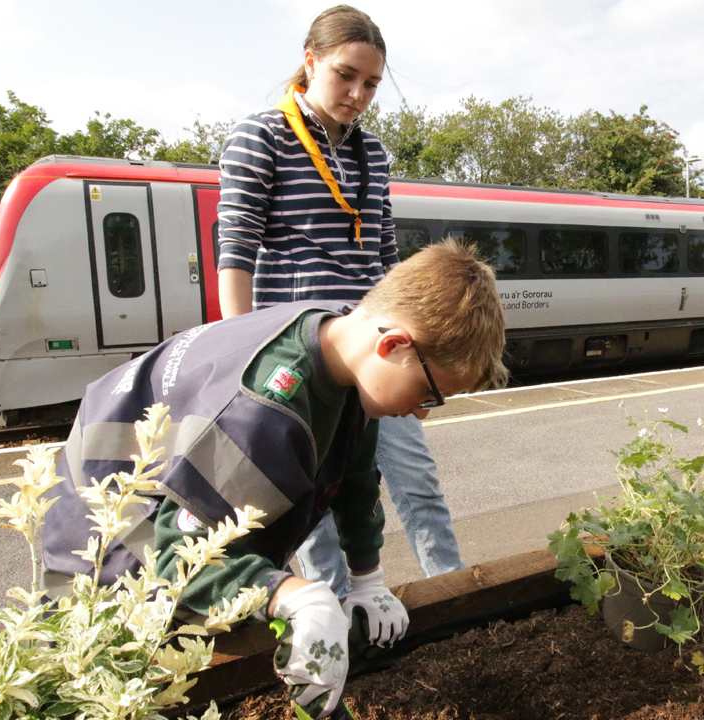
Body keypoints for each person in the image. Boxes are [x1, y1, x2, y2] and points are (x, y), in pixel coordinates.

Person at [42, 240, 508, 718]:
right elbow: (181, 565)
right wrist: (291, 595)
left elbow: (355, 474)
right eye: (429, 395)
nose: (420, 413)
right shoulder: (259, 412)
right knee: (141, 683)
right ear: (392, 345)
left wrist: (368, 577)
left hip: (186, 500)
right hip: (109, 536)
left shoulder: (342, 343)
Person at [216, 4, 466, 598]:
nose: (357, 93)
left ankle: (459, 599)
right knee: (315, 509)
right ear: (310, 62)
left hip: (374, 345)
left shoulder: (372, 153)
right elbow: (236, 248)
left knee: (417, 484)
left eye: (371, 84)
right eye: (344, 75)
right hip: (299, 354)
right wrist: (238, 354)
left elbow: (384, 260)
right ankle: (333, 622)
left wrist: (420, 360)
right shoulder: (261, 135)